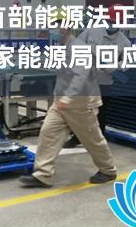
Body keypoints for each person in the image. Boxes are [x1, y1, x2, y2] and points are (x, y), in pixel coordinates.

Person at [19, 29, 118, 188]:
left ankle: (108, 170)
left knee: (92, 139)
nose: (50, 31)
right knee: (48, 133)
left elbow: (80, 75)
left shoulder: (79, 47)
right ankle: (43, 175)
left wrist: (68, 96)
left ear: (65, 29)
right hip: (61, 103)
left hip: (80, 103)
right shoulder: (60, 46)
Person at [63, 4, 132, 148]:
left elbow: (128, 62)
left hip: (104, 82)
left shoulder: (124, 42)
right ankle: (77, 137)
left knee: (101, 112)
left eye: (115, 21)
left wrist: (115, 66)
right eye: (110, 20)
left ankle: (99, 140)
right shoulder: (92, 31)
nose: (111, 24)